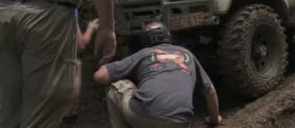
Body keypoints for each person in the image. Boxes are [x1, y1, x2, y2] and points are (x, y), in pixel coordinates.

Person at [94, 22, 222, 127]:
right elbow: (210, 91)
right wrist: (214, 120)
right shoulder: (186, 53)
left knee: (116, 86)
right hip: (181, 122)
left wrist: (106, 61)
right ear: (169, 37)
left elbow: (100, 76)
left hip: (143, 116)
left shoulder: (144, 53)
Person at [61, 10, 100, 127]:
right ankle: (68, 118)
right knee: (76, 62)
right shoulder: (65, 3)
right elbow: (80, 45)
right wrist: (91, 27)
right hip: (63, 62)